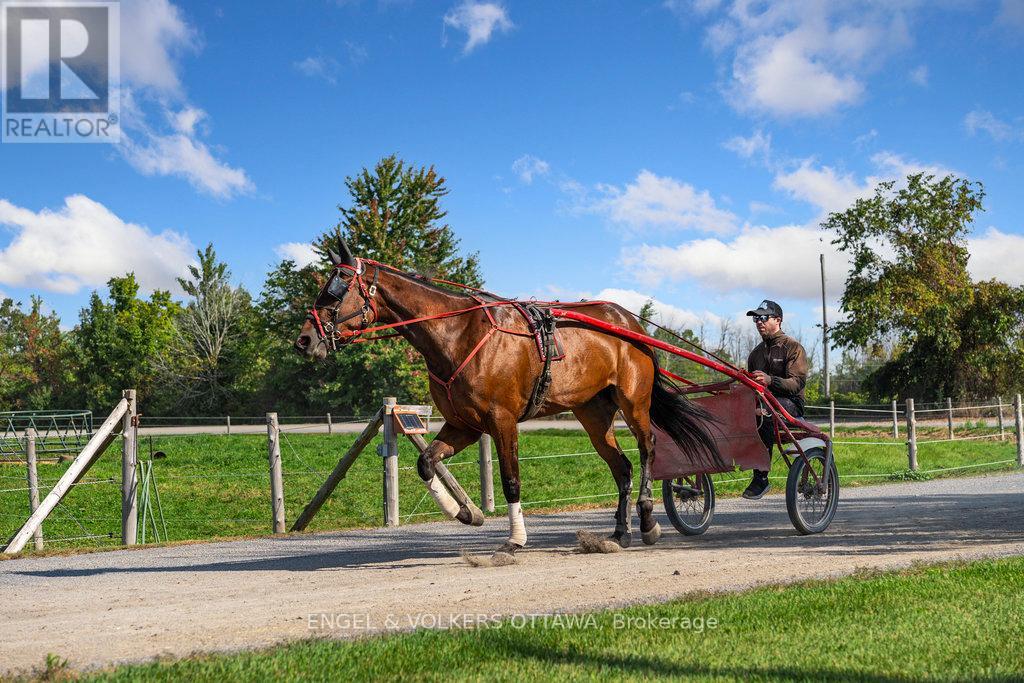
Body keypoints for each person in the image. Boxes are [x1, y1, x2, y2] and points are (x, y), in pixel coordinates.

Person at [742, 299, 809, 500]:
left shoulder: (793, 347)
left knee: (764, 412)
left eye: (763, 317)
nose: (759, 322)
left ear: (778, 320)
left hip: (791, 404)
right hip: (765, 403)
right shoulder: (755, 354)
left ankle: (761, 478)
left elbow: (797, 384)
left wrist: (770, 380)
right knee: (740, 412)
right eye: (756, 319)